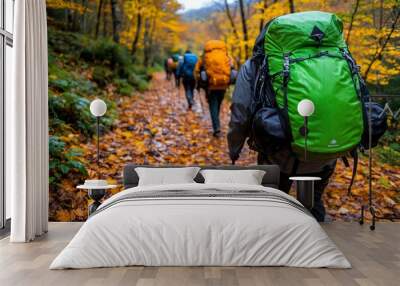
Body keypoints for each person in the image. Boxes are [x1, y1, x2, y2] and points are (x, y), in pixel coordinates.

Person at [228, 16, 342, 222]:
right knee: (312, 205)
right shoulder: (335, 60)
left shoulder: (255, 65)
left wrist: (234, 148)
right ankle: (319, 246)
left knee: (274, 208)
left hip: (278, 155)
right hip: (326, 152)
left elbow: (240, 113)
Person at [196, 40, 233, 137]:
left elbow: (196, 70)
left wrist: (198, 81)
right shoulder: (226, 54)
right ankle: (216, 122)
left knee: (213, 105)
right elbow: (232, 66)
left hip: (211, 86)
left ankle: (216, 128)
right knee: (218, 104)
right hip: (224, 84)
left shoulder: (205, 56)